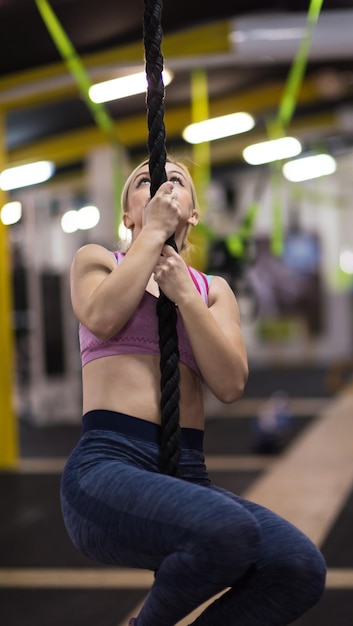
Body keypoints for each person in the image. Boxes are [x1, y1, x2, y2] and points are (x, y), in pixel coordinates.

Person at [60, 156, 326, 626]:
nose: (161, 185)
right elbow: (101, 317)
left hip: (187, 473)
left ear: (193, 213)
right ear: (128, 215)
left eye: (175, 181)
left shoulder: (212, 290)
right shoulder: (98, 260)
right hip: (107, 468)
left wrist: (185, 296)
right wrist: (152, 238)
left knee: (298, 567)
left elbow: (230, 384)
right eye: (145, 182)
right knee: (228, 531)